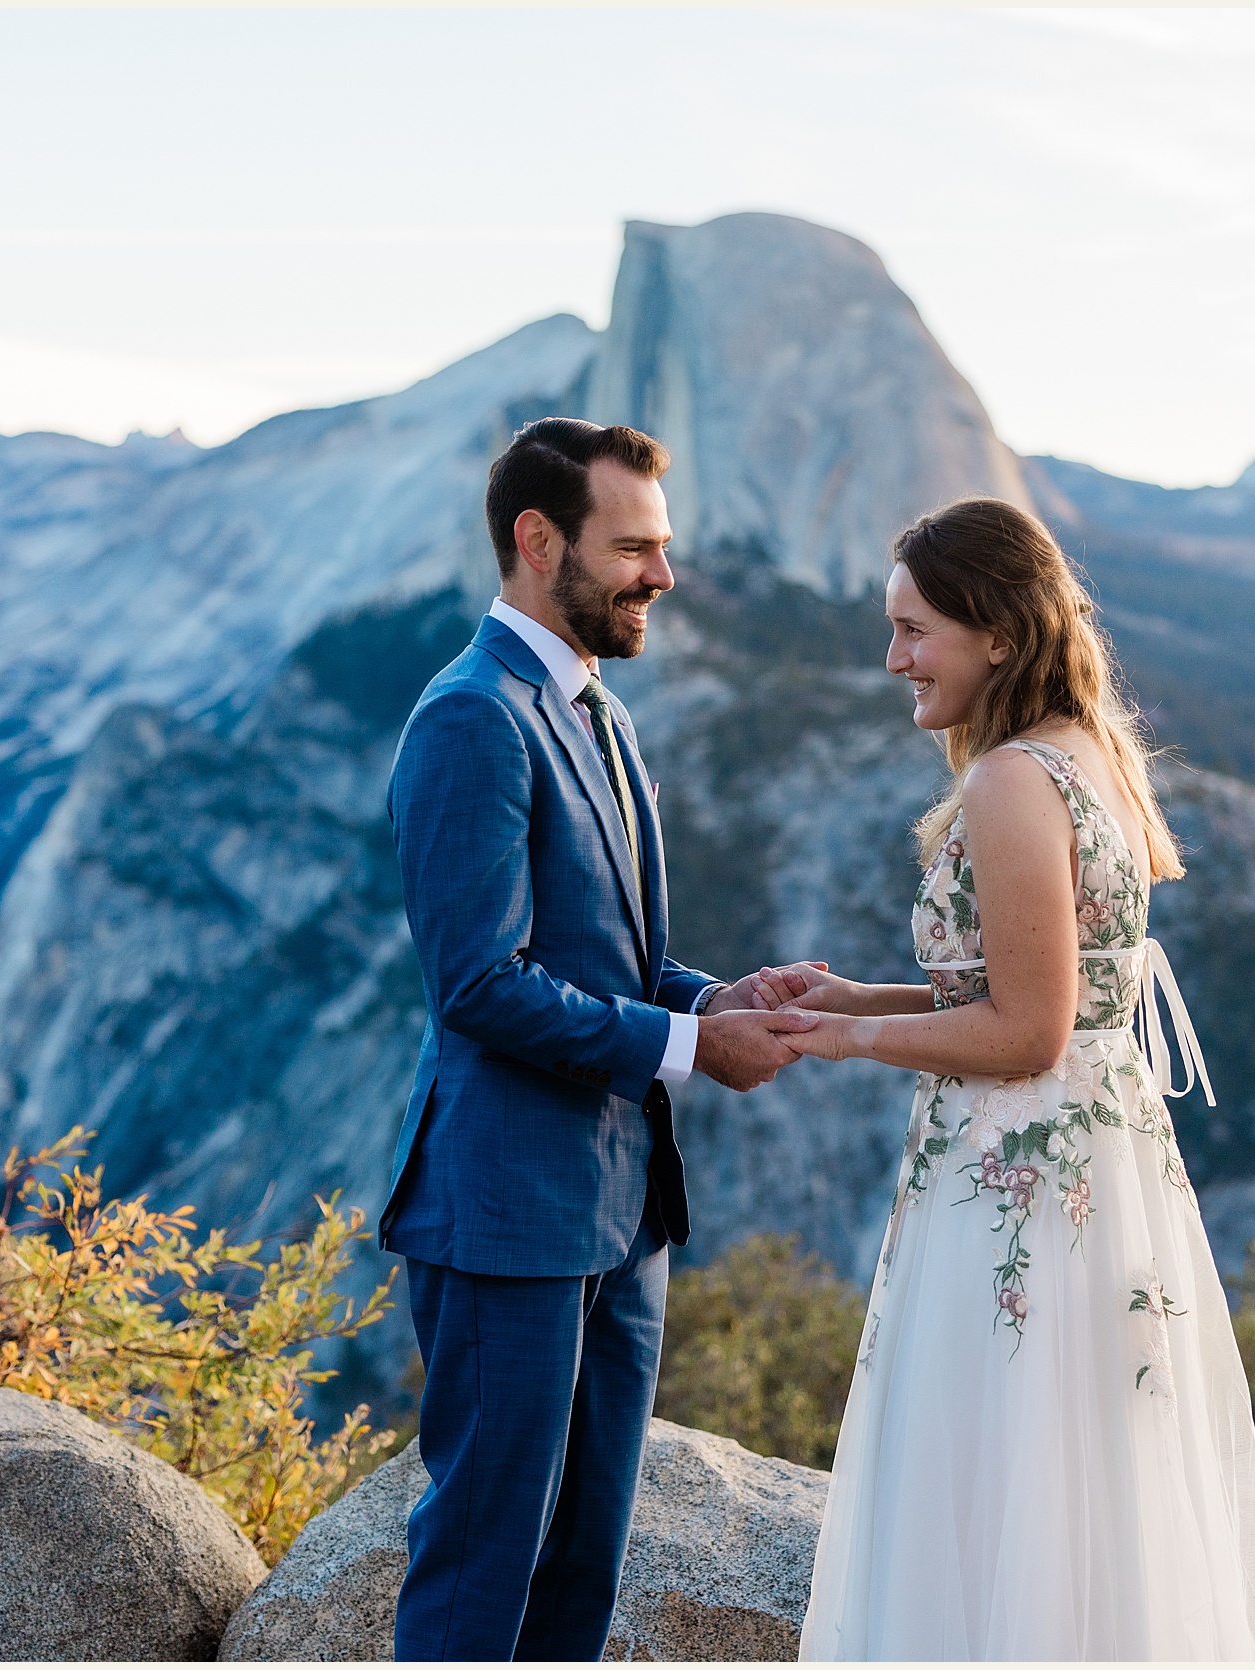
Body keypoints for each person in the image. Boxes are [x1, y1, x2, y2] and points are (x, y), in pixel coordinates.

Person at [761, 496, 1255, 1661]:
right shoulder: (1087, 750)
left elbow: (1026, 1032)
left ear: (996, 631)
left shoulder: (1012, 779)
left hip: (1014, 1178)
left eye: (915, 629)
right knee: (1082, 1481)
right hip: (1093, 1171)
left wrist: (846, 1043)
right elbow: (1050, 988)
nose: (892, 655)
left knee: (1003, 1471)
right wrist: (857, 996)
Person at [381, 417, 819, 1662]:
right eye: (633, 547)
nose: (662, 576)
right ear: (536, 540)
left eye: (661, 546)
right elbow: (478, 984)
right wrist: (687, 1051)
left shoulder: (599, 712)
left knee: (583, 1567)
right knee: (483, 1563)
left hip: (625, 1217)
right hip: (508, 1212)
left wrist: (718, 998)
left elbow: (607, 962)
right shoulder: (470, 718)